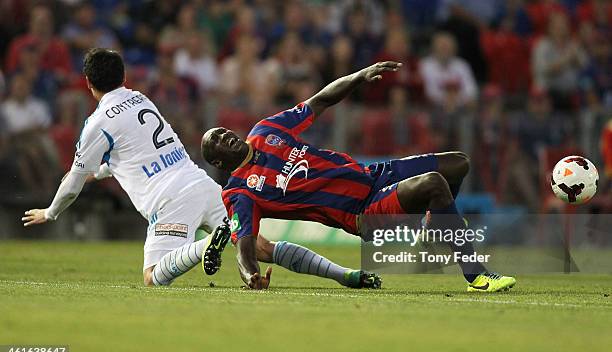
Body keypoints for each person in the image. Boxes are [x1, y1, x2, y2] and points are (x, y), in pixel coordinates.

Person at [21, 48, 376, 291]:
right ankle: (346, 275)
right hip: (201, 184)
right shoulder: (140, 99)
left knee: (152, 278)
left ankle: (208, 243)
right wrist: (102, 171)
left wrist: (52, 212)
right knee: (261, 248)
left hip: (168, 200)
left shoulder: (98, 123)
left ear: (88, 83)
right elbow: (126, 158)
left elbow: (73, 180)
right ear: (123, 75)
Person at [202, 61, 517, 291]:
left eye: (221, 131)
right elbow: (244, 243)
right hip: (361, 213)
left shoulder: (266, 130)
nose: (223, 135)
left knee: (457, 164)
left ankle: (434, 227)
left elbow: (321, 100)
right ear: (218, 160)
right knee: (435, 183)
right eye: (215, 140)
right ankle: (476, 275)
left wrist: (360, 76)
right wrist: (250, 275)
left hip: (372, 176)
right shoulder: (239, 191)